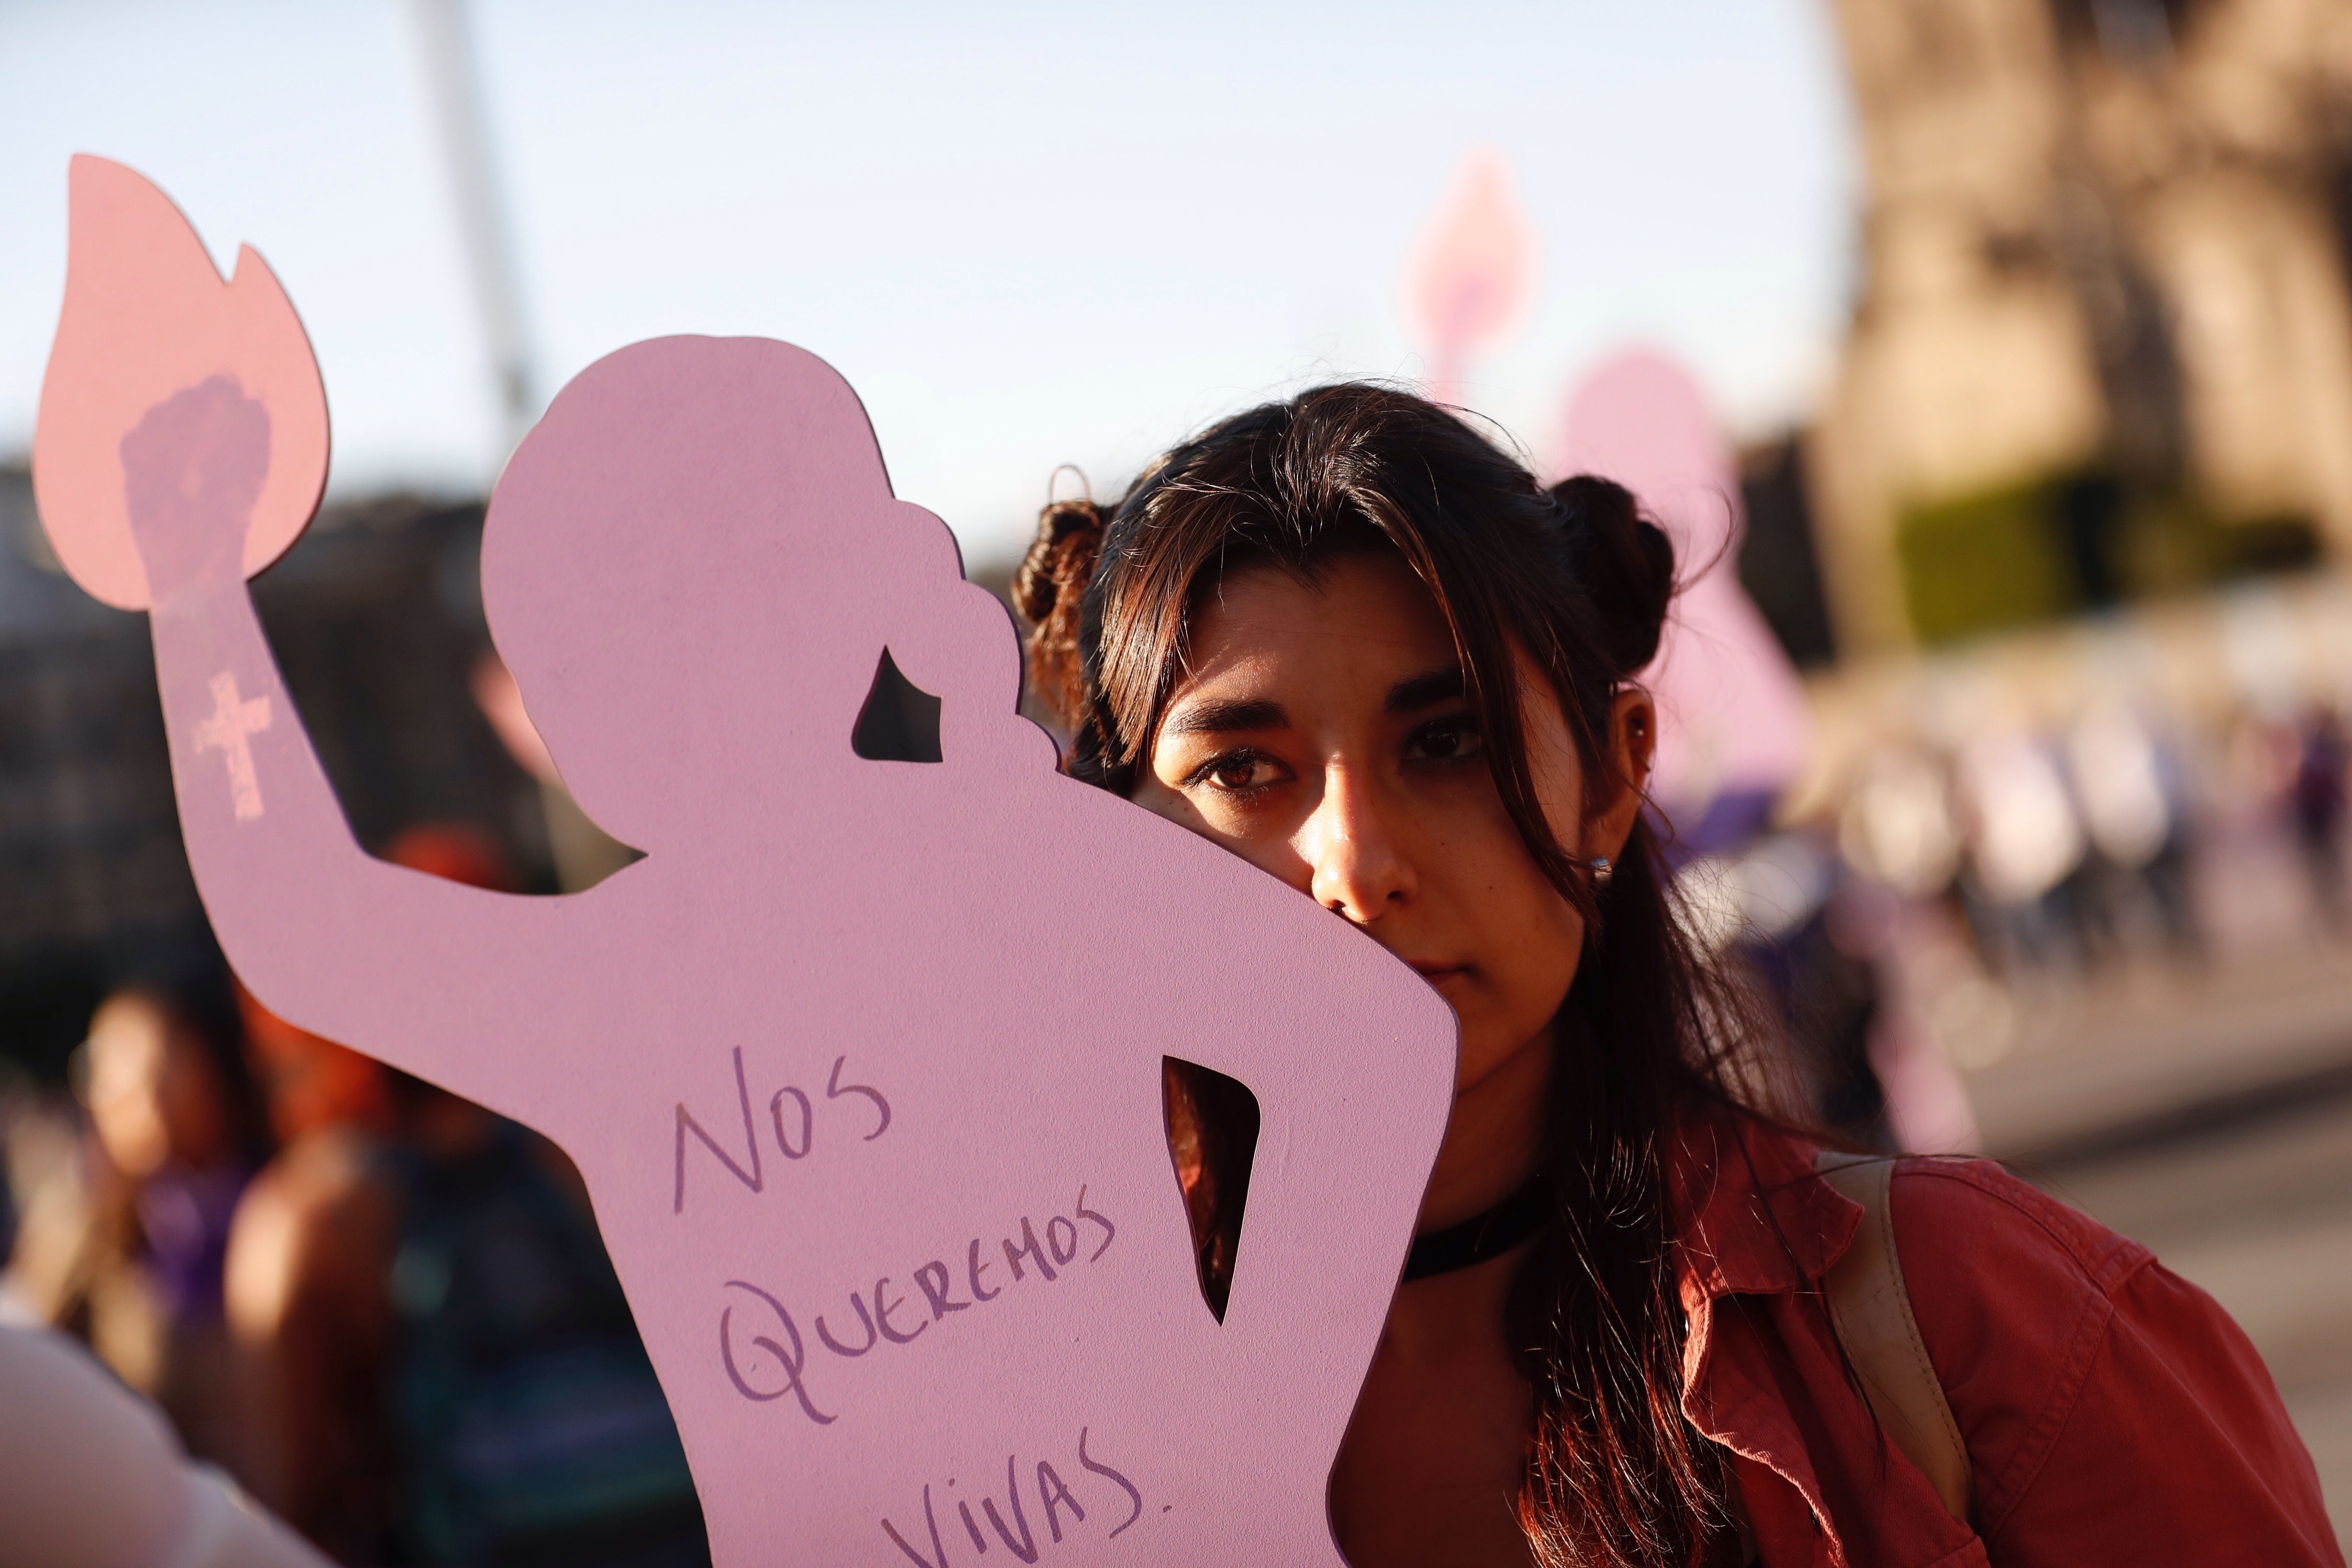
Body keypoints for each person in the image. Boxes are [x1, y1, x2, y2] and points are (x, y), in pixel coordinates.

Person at [1014, 383, 2340, 1567]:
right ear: (1119, 847)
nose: (1356, 866)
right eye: (1243, 771)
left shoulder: (1983, 1320)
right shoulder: (994, 1421)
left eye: (1449, 740)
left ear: (1612, 772)